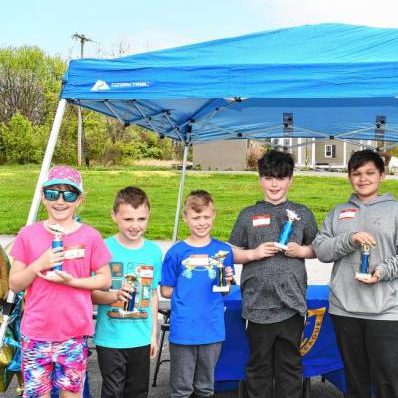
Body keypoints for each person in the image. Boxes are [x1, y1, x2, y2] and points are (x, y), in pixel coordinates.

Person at [313, 149, 398, 398]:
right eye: (357, 173)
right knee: (355, 384)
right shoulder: (338, 212)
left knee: (388, 383)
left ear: (382, 176)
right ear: (349, 177)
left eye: (369, 173)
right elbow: (320, 250)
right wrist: (349, 239)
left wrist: (383, 271)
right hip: (344, 309)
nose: (363, 178)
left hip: (386, 312)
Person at [8, 166, 112, 398]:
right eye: (53, 193)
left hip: (73, 334)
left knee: (72, 395)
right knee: (37, 395)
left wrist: (72, 282)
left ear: (79, 200)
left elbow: (105, 280)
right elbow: (15, 284)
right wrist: (38, 264)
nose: (61, 201)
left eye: (69, 194)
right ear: (43, 197)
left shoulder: (90, 236)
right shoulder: (28, 234)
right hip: (35, 333)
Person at [229, 150, 318, 398]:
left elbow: (317, 249)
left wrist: (301, 250)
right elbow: (232, 253)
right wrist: (254, 253)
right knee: (259, 369)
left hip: (292, 306)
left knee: (290, 369)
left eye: (280, 177)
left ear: (290, 179)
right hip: (257, 307)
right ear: (260, 179)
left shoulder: (303, 214)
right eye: (268, 178)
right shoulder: (247, 215)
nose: (274, 184)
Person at [160, 190, 234, 398]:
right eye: (196, 217)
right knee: (181, 389)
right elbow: (165, 290)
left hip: (212, 328)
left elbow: (225, 291)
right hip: (183, 328)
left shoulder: (224, 251)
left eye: (206, 217)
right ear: (185, 218)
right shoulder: (176, 252)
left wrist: (226, 280)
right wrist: (188, 285)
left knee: (205, 387)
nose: (201, 222)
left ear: (214, 215)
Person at [92, 186, 163, 398]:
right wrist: (114, 295)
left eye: (141, 219)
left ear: (149, 216)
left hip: (141, 338)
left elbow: (152, 294)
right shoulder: (103, 248)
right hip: (110, 338)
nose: (135, 226)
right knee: (113, 391)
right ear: (114, 216)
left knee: (138, 391)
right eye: (128, 219)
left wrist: (153, 335)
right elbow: (92, 294)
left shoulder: (153, 251)